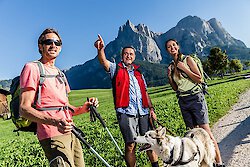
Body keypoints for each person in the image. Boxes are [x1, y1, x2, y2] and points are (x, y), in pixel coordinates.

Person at [19, 28, 99, 167]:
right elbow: (24, 109)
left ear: (61, 48)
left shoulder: (60, 73)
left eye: (57, 42)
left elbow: (65, 107)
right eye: (48, 42)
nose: (53, 45)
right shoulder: (32, 68)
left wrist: (83, 108)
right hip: (51, 134)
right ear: (40, 46)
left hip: (71, 130)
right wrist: (55, 122)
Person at [94, 34, 159, 167]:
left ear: (134, 56)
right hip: (126, 112)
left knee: (150, 141)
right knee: (130, 144)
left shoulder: (139, 73)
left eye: (131, 54)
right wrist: (100, 50)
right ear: (122, 56)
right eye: (126, 54)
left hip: (144, 112)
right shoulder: (116, 69)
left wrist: (151, 109)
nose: (128, 56)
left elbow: (145, 93)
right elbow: (103, 62)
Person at [165, 39, 225, 167]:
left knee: (206, 132)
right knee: (192, 133)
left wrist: (184, 69)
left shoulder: (187, 60)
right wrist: (170, 77)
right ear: (167, 50)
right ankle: (202, 162)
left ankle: (219, 162)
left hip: (196, 98)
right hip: (183, 100)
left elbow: (199, 78)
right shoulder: (171, 66)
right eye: (169, 47)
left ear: (178, 46)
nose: (172, 48)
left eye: (174, 45)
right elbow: (176, 88)